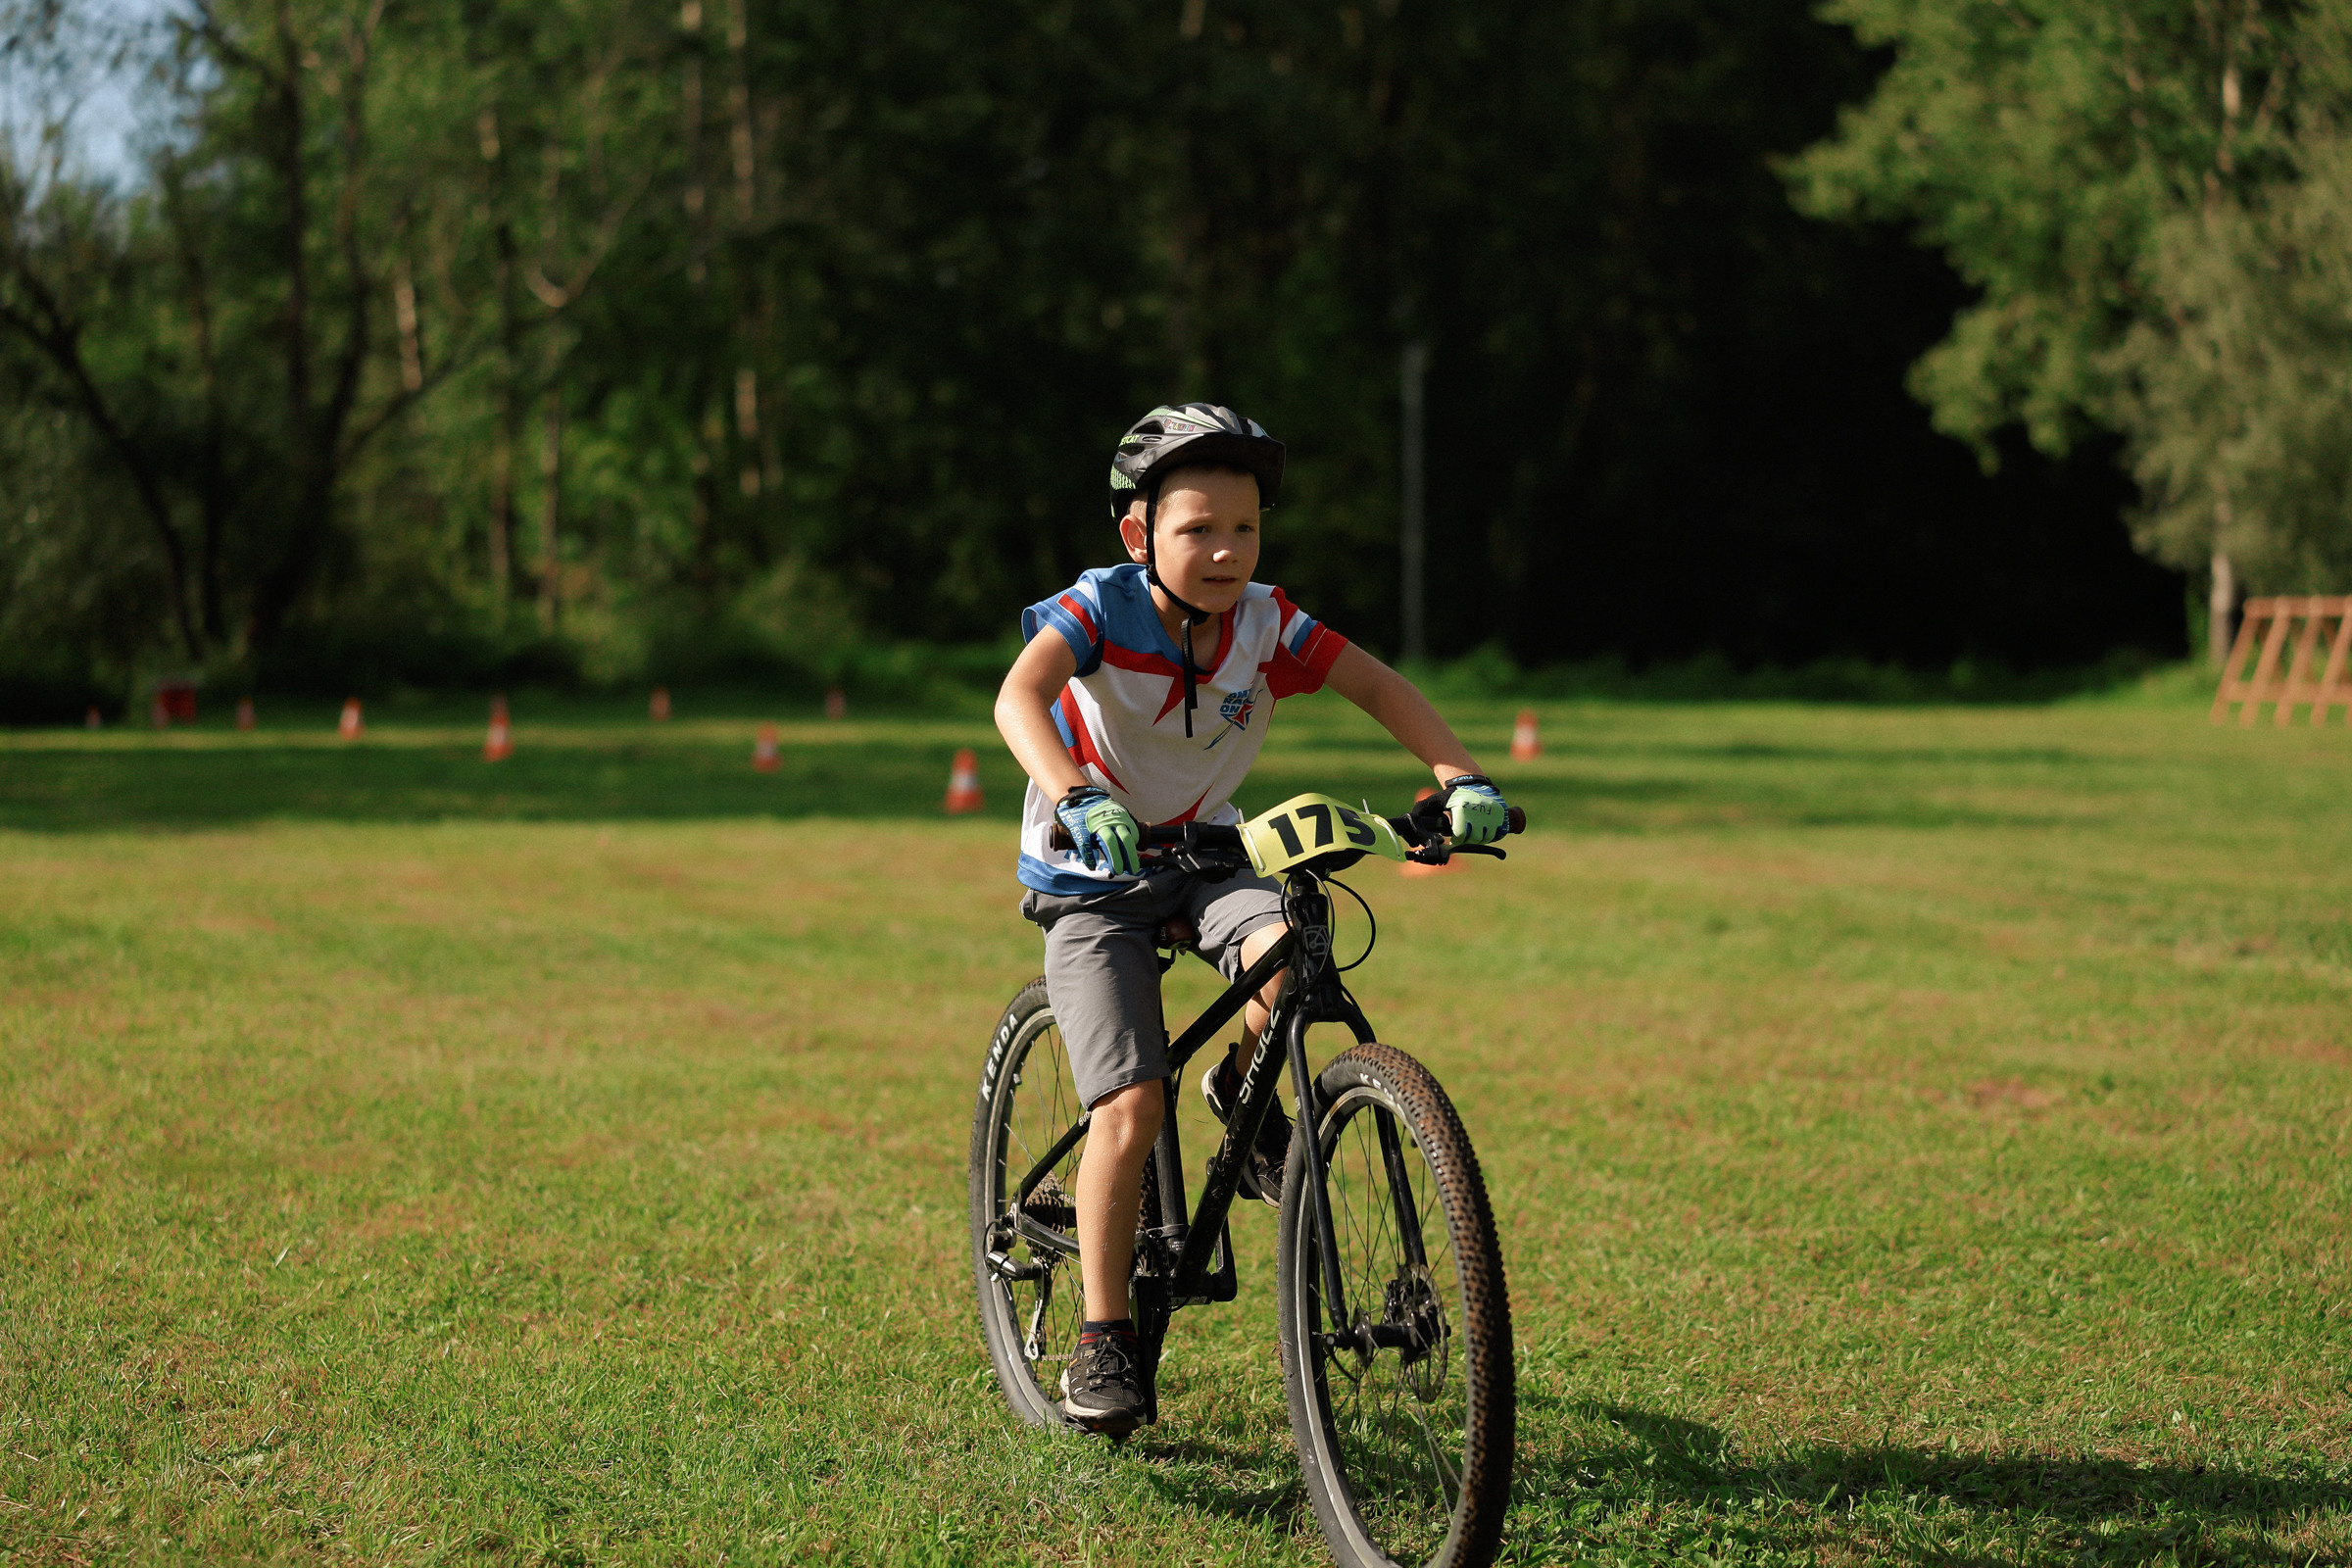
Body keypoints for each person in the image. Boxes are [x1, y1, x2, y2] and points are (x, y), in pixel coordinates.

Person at [993, 403, 1512, 1435]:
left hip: (1207, 853)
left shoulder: (1268, 622)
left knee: (1297, 962)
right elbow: (1019, 697)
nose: (1226, 549)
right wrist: (1073, 790)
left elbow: (1374, 683)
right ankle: (1104, 1338)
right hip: (1093, 872)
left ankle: (1243, 1084)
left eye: (1245, 527)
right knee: (1131, 1109)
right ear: (1141, 535)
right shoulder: (1099, 609)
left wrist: (1455, 773)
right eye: (1197, 528)